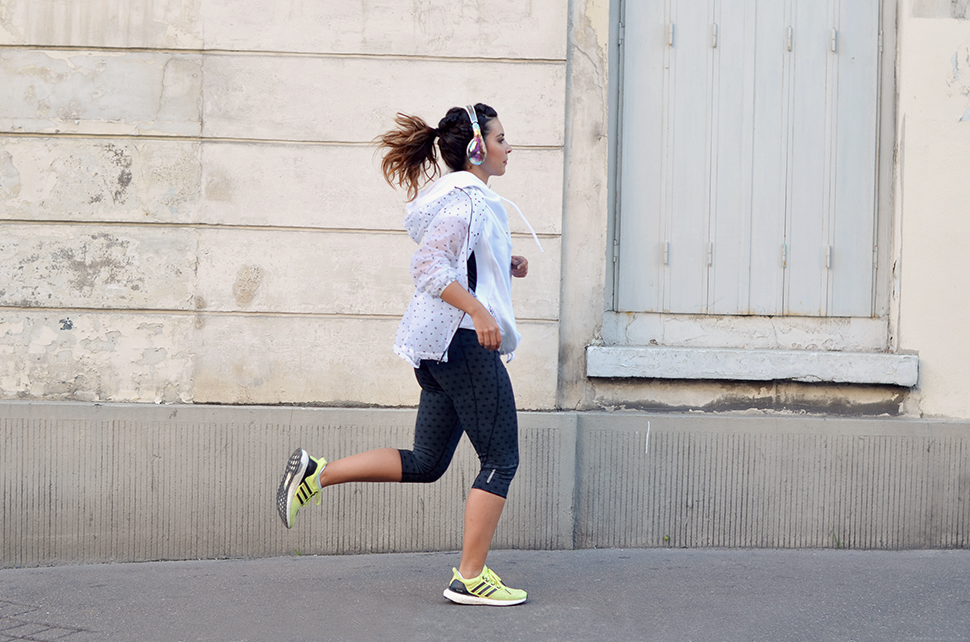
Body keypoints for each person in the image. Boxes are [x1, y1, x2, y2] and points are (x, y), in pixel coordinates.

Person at [276, 103, 541, 606]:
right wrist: (481, 314)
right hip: (464, 345)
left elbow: (459, 257)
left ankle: (317, 473)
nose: (510, 148)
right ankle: (470, 576)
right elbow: (429, 264)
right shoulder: (468, 202)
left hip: (439, 351)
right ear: (477, 148)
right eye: (502, 139)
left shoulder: (458, 200)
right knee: (501, 460)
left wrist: (505, 262)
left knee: (426, 461)